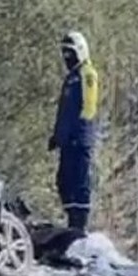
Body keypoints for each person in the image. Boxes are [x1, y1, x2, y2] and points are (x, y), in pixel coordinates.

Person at [48, 30, 99, 233]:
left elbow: (89, 107)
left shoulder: (87, 74)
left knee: (79, 181)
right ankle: (72, 223)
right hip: (67, 141)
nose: (67, 58)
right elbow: (64, 112)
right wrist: (57, 136)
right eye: (64, 54)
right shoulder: (71, 78)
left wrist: (79, 134)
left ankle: (80, 226)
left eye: (70, 53)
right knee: (64, 180)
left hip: (79, 139)